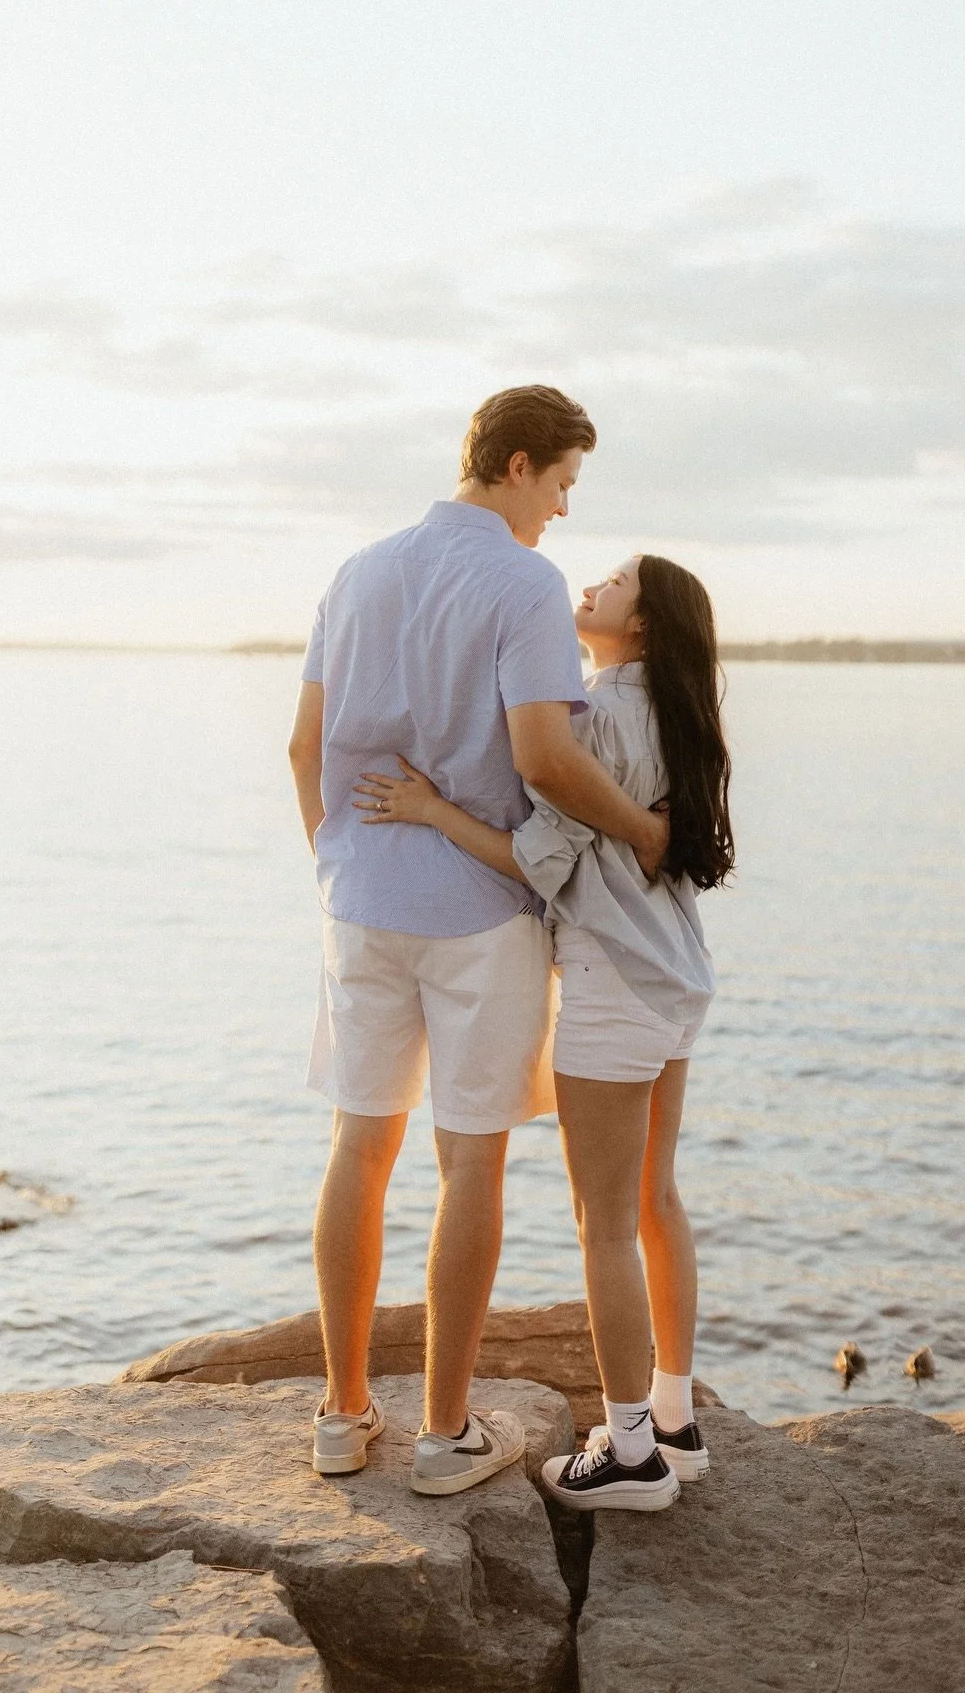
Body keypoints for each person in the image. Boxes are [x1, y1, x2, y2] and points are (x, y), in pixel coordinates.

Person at [287, 386, 671, 1497]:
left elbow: (305, 747)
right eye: (560, 483)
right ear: (514, 466)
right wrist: (646, 829)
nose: (561, 510)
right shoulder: (522, 581)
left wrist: (337, 866)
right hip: (483, 914)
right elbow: (545, 758)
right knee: (470, 1164)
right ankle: (443, 1434)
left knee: (358, 1148)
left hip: (360, 903)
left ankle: (341, 1414)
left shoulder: (357, 572)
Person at [357, 552, 732, 1512]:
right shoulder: (678, 717)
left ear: (642, 624)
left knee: (603, 1224)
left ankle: (632, 1454)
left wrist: (430, 809)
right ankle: (676, 1420)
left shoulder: (591, 720)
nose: (591, 588)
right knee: (656, 1199)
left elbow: (534, 861)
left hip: (613, 980)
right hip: (677, 974)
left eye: (614, 584)